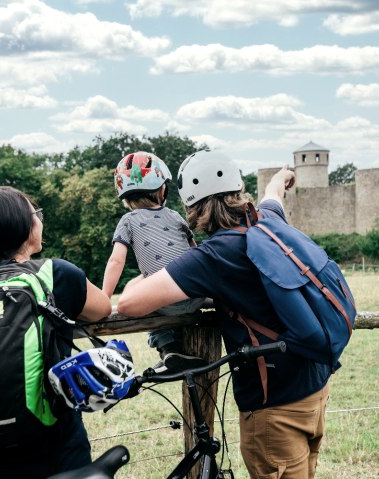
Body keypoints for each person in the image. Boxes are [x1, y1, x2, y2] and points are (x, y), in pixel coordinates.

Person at [117, 150, 331, 479]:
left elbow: (130, 305)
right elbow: (273, 197)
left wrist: (143, 275)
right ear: (237, 190)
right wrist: (280, 179)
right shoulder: (267, 221)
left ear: (191, 206)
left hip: (273, 407)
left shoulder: (210, 258)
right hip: (315, 388)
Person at [0, 186, 113, 479]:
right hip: (56, 450)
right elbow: (102, 308)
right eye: (36, 214)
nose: (40, 220)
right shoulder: (59, 274)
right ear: (26, 227)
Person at [103, 151, 205, 373]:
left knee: (138, 295)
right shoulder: (176, 216)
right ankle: (177, 351)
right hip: (196, 295)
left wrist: (104, 299)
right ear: (161, 189)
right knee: (142, 284)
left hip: (165, 302)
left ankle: (168, 349)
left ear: (125, 196)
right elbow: (195, 253)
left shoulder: (128, 220)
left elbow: (116, 261)